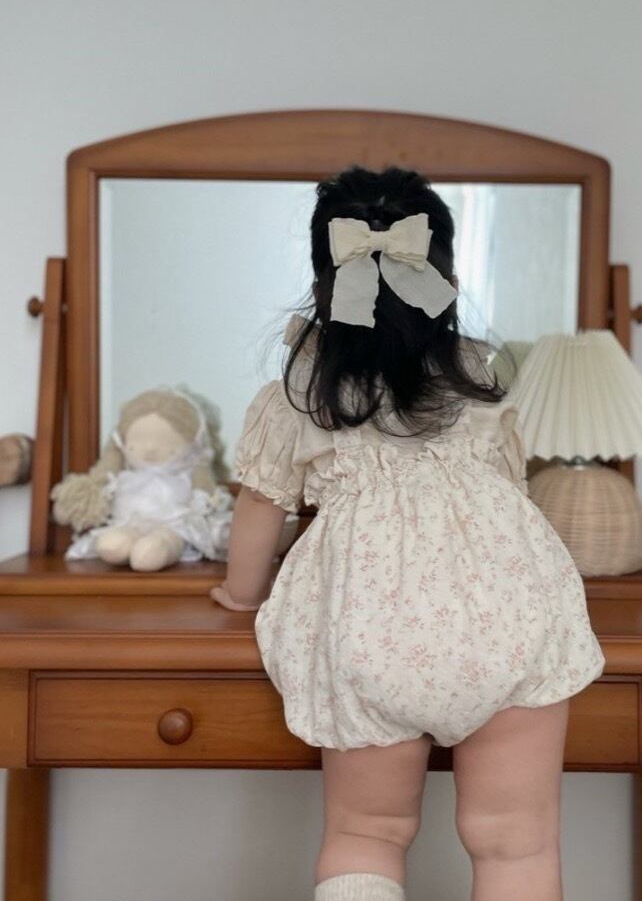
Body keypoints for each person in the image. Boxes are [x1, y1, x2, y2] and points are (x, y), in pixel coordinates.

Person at [210, 165, 605, 901]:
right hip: (505, 621)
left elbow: (260, 507)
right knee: (516, 844)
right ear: (445, 278)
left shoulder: (300, 391)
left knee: (367, 834)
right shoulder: (478, 376)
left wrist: (241, 595)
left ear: (323, 283)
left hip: (370, 628)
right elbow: (509, 493)